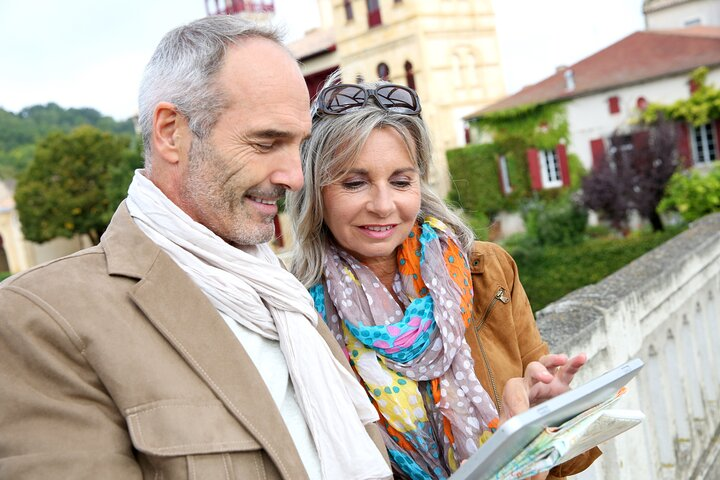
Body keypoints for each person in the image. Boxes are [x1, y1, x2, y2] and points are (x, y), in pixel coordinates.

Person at [0, 16, 393, 480]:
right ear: (171, 132)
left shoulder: (284, 293)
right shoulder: (43, 318)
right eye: (267, 142)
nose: (296, 177)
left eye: (299, 146)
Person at [286, 78, 601, 479]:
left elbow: (560, 462)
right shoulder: (295, 313)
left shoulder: (487, 272)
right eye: (354, 183)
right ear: (315, 190)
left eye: (401, 181)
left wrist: (546, 418)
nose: (384, 206)